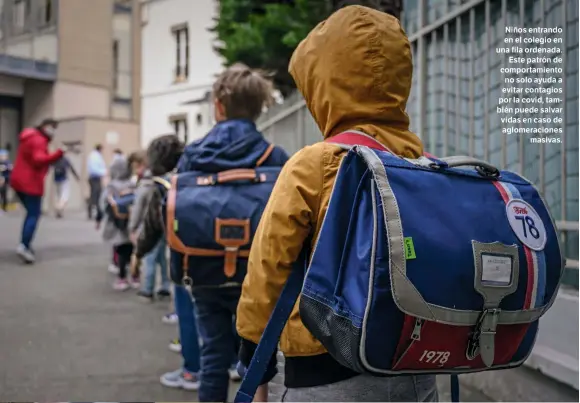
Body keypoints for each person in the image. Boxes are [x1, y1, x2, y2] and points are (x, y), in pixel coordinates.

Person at [236, 6, 438, 402]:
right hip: (416, 365)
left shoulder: (317, 164)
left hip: (325, 372)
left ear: (322, 84)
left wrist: (253, 360)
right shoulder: (423, 165)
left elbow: (268, 268)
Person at [175, 63, 288, 402]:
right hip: (258, 271)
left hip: (204, 267)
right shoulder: (275, 156)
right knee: (259, 358)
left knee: (212, 356)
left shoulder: (193, 155)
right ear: (258, 108)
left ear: (218, 106)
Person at [133, 134, 202, 390]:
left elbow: (151, 228)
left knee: (187, 315)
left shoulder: (164, 184)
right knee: (217, 317)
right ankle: (230, 364)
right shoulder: (197, 175)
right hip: (216, 254)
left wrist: (137, 254)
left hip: (183, 260)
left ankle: (191, 372)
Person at [10, 118, 64, 263]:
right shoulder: (39, 140)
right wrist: (58, 154)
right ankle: (24, 245)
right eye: (53, 127)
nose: (53, 131)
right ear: (45, 127)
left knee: (30, 213)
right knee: (34, 214)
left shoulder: (29, 136)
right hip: (31, 182)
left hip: (18, 180)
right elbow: (39, 159)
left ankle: (25, 243)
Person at [128, 151, 171, 302]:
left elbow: (138, 209)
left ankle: (147, 289)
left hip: (148, 226)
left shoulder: (145, 185)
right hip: (165, 225)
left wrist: (132, 228)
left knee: (149, 258)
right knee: (162, 259)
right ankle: (165, 287)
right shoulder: (164, 182)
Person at [96, 156, 138, 291]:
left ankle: (122, 279)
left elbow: (103, 204)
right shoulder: (133, 185)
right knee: (132, 251)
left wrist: (99, 218)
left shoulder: (111, 186)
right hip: (132, 222)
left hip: (116, 224)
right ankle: (135, 276)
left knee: (120, 251)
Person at [87, 144, 107, 220]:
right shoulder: (95, 156)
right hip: (95, 178)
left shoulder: (95, 156)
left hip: (96, 178)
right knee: (95, 195)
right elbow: (94, 169)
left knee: (95, 195)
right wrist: (104, 172)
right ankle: (93, 211)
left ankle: (95, 211)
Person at [0, 149, 13, 214]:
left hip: (5, 181)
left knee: (4, 194)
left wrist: (6, 167)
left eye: (4, 156)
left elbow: (11, 168)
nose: (2, 157)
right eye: (1, 156)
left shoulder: (7, 162)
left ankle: (4, 208)